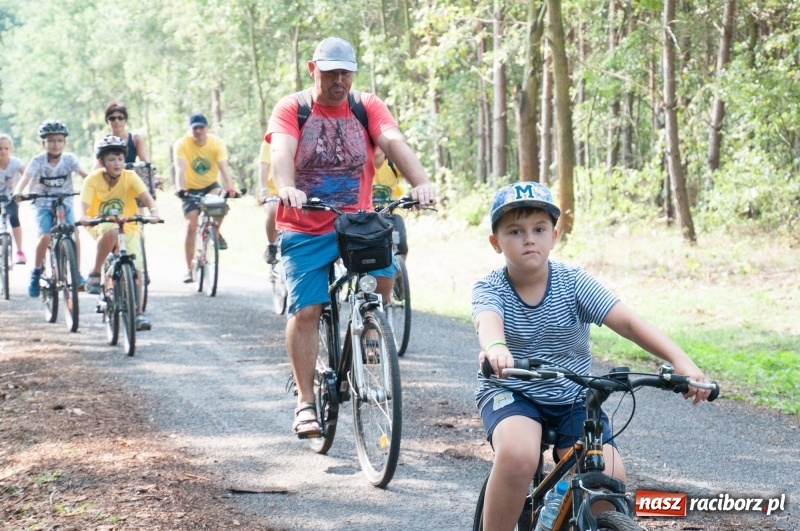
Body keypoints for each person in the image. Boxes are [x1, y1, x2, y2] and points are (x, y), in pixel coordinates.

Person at [472, 181, 714, 531]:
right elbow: (487, 320)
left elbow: (629, 323)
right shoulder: (491, 287)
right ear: (496, 243)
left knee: (608, 474)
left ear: (554, 236)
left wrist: (682, 361)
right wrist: (496, 348)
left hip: (573, 396)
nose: (529, 239)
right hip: (514, 391)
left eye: (539, 229)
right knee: (519, 455)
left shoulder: (573, 283)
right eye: (515, 231)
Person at [266, 36, 436, 438]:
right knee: (307, 310)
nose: (338, 80)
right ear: (313, 70)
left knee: (383, 279)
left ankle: (369, 338)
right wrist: (288, 186)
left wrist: (421, 182)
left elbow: (393, 141)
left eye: (345, 72)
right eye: (329, 72)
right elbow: (280, 153)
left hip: (354, 223)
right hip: (305, 225)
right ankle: (306, 402)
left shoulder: (367, 106)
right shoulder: (293, 108)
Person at [79, 136, 159, 331]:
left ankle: (138, 312)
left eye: (120, 159)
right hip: (100, 222)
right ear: (102, 162)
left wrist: (154, 212)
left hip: (128, 224)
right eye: (111, 159)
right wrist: (84, 217)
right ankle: (96, 272)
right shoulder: (92, 180)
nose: (117, 163)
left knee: (137, 268)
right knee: (112, 230)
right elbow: (84, 208)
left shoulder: (130, 176)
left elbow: (147, 199)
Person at [13, 120, 88, 297]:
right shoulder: (37, 161)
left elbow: (85, 175)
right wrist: (18, 192)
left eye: (59, 140)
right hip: (42, 203)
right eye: (51, 140)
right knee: (46, 235)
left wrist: (98, 183)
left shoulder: (69, 159)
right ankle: (36, 272)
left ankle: (76, 273)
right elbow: (25, 179)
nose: (56, 144)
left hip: (65, 201)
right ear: (43, 143)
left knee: (74, 232)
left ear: (65, 142)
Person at [173, 113, 236, 283]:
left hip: (210, 186)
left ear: (207, 128)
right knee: (191, 225)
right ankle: (188, 269)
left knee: (221, 203)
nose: (198, 131)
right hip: (189, 188)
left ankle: (215, 231)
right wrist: (180, 189)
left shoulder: (216, 144)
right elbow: (180, 169)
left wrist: (230, 189)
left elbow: (224, 168)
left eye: (201, 127)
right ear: (190, 129)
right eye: (195, 128)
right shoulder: (182, 144)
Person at [372, 146, 408, 257]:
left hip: (393, 207)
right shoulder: (363, 166)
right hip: (370, 210)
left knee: (401, 243)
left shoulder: (392, 165)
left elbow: (410, 174)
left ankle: (401, 268)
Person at [95, 102, 150, 166]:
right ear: (107, 121)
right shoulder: (101, 141)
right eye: (112, 118)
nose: (116, 121)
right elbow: (97, 167)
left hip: (130, 174)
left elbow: (146, 163)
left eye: (120, 118)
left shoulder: (135, 139)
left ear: (125, 120)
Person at [0, 134, 27, 264]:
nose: (3, 151)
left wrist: (23, 192)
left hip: (11, 197)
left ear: (11, 149)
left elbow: (28, 176)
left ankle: (19, 251)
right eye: (0, 148)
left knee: (13, 218)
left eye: (6, 148)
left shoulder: (16, 163)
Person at [257, 140, 279, 264]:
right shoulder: (268, 143)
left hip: (295, 189)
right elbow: (263, 168)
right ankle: (272, 245)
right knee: (273, 210)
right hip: (273, 191)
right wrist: (264, 190)